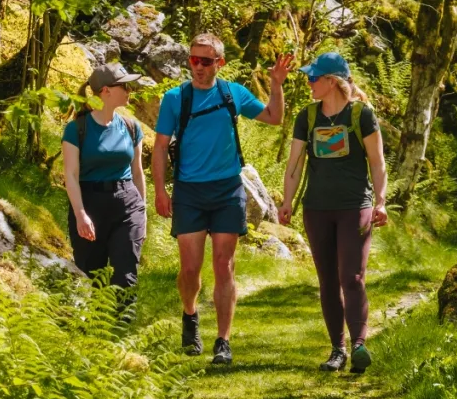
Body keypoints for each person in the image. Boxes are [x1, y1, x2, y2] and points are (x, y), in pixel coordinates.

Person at [152, 33, 293, 365]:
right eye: (193, 60)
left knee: (224, 264)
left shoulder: (233, 94)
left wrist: (276, 84)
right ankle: (190, 315)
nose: (198, 67)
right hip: (189, 191)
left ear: (220, 63)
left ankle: (223, 341)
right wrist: (160, 191)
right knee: (189, 269)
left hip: (228, 190)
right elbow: (159, 147)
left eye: (205, 61)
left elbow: (274, 117)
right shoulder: (175, 99)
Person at [278, 52, 389, 373]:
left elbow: (377, 162)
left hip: (355, 207)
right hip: (316, 209)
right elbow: (294, 163)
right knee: (327, 280)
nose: (309, 83)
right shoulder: (307, 116)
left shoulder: (362, 115)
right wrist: (287, 202)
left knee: (351, 277)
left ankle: (359, 345)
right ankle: (337, 350)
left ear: (331, 81)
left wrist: (380, 201)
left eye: (313, 78)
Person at [61, 63, 153, 293]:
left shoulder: (132, 127)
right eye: (124, 85)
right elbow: (71, 175)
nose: (129, 90)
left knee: (126, 272)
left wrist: (142, 211)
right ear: (105, 91)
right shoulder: (76, 129)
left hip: (127, 204)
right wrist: (81, 215)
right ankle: (92, 326)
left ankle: (124, 325)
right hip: (90, 203)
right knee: (91, 273)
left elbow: (138, 173)